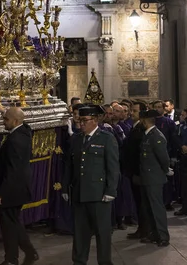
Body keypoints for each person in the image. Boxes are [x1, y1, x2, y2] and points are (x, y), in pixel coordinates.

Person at [62, 105, 119, 265]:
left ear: (95, 120)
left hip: (98, 194)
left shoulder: (106, 138)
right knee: (80, 232)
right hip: (79, 192)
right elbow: (69, 165)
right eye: (79, 120)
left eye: (84, 121)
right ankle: (79, 261)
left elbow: (113, 167)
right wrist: (65, 187)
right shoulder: (76, 139)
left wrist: (111, 190)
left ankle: (104, 261)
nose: (81, 124)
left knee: (102, 232)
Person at [0, 107, 38, 265]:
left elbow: (13, 170)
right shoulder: (23, 132)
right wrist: (5, 110)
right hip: (18, 188)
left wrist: (1, 193)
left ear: (15, 121)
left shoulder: (15, 140)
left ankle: (15, 258)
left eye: (6, 119)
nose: (3, 121)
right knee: (13, 224)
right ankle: (22, 255)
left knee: (10, 227)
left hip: (11, 190)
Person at [138, 109, 171, 246]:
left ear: (144, 121)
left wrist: (165, 170)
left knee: (157, 208)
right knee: (148, 208)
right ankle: (153, 234)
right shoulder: (147, 135)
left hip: (154, 178)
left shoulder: (156, 136)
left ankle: (163, 236)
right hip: (146, 177)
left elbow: (164, 158)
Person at [124, 101, 148, 239]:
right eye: (131, 111)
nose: (131, 113)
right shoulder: (135, 127)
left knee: (142, 202)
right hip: (134, 172)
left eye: (134, 111)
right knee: (138, 202)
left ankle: (145, 229)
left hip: (139, 172)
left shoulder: (141, 129)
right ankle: (142, 228)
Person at [176, 110, 187, 216]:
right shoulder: (183, 124)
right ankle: (186, 207)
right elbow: (177, 138)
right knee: (185, 184)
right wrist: (182, 146)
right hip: (185, 157)